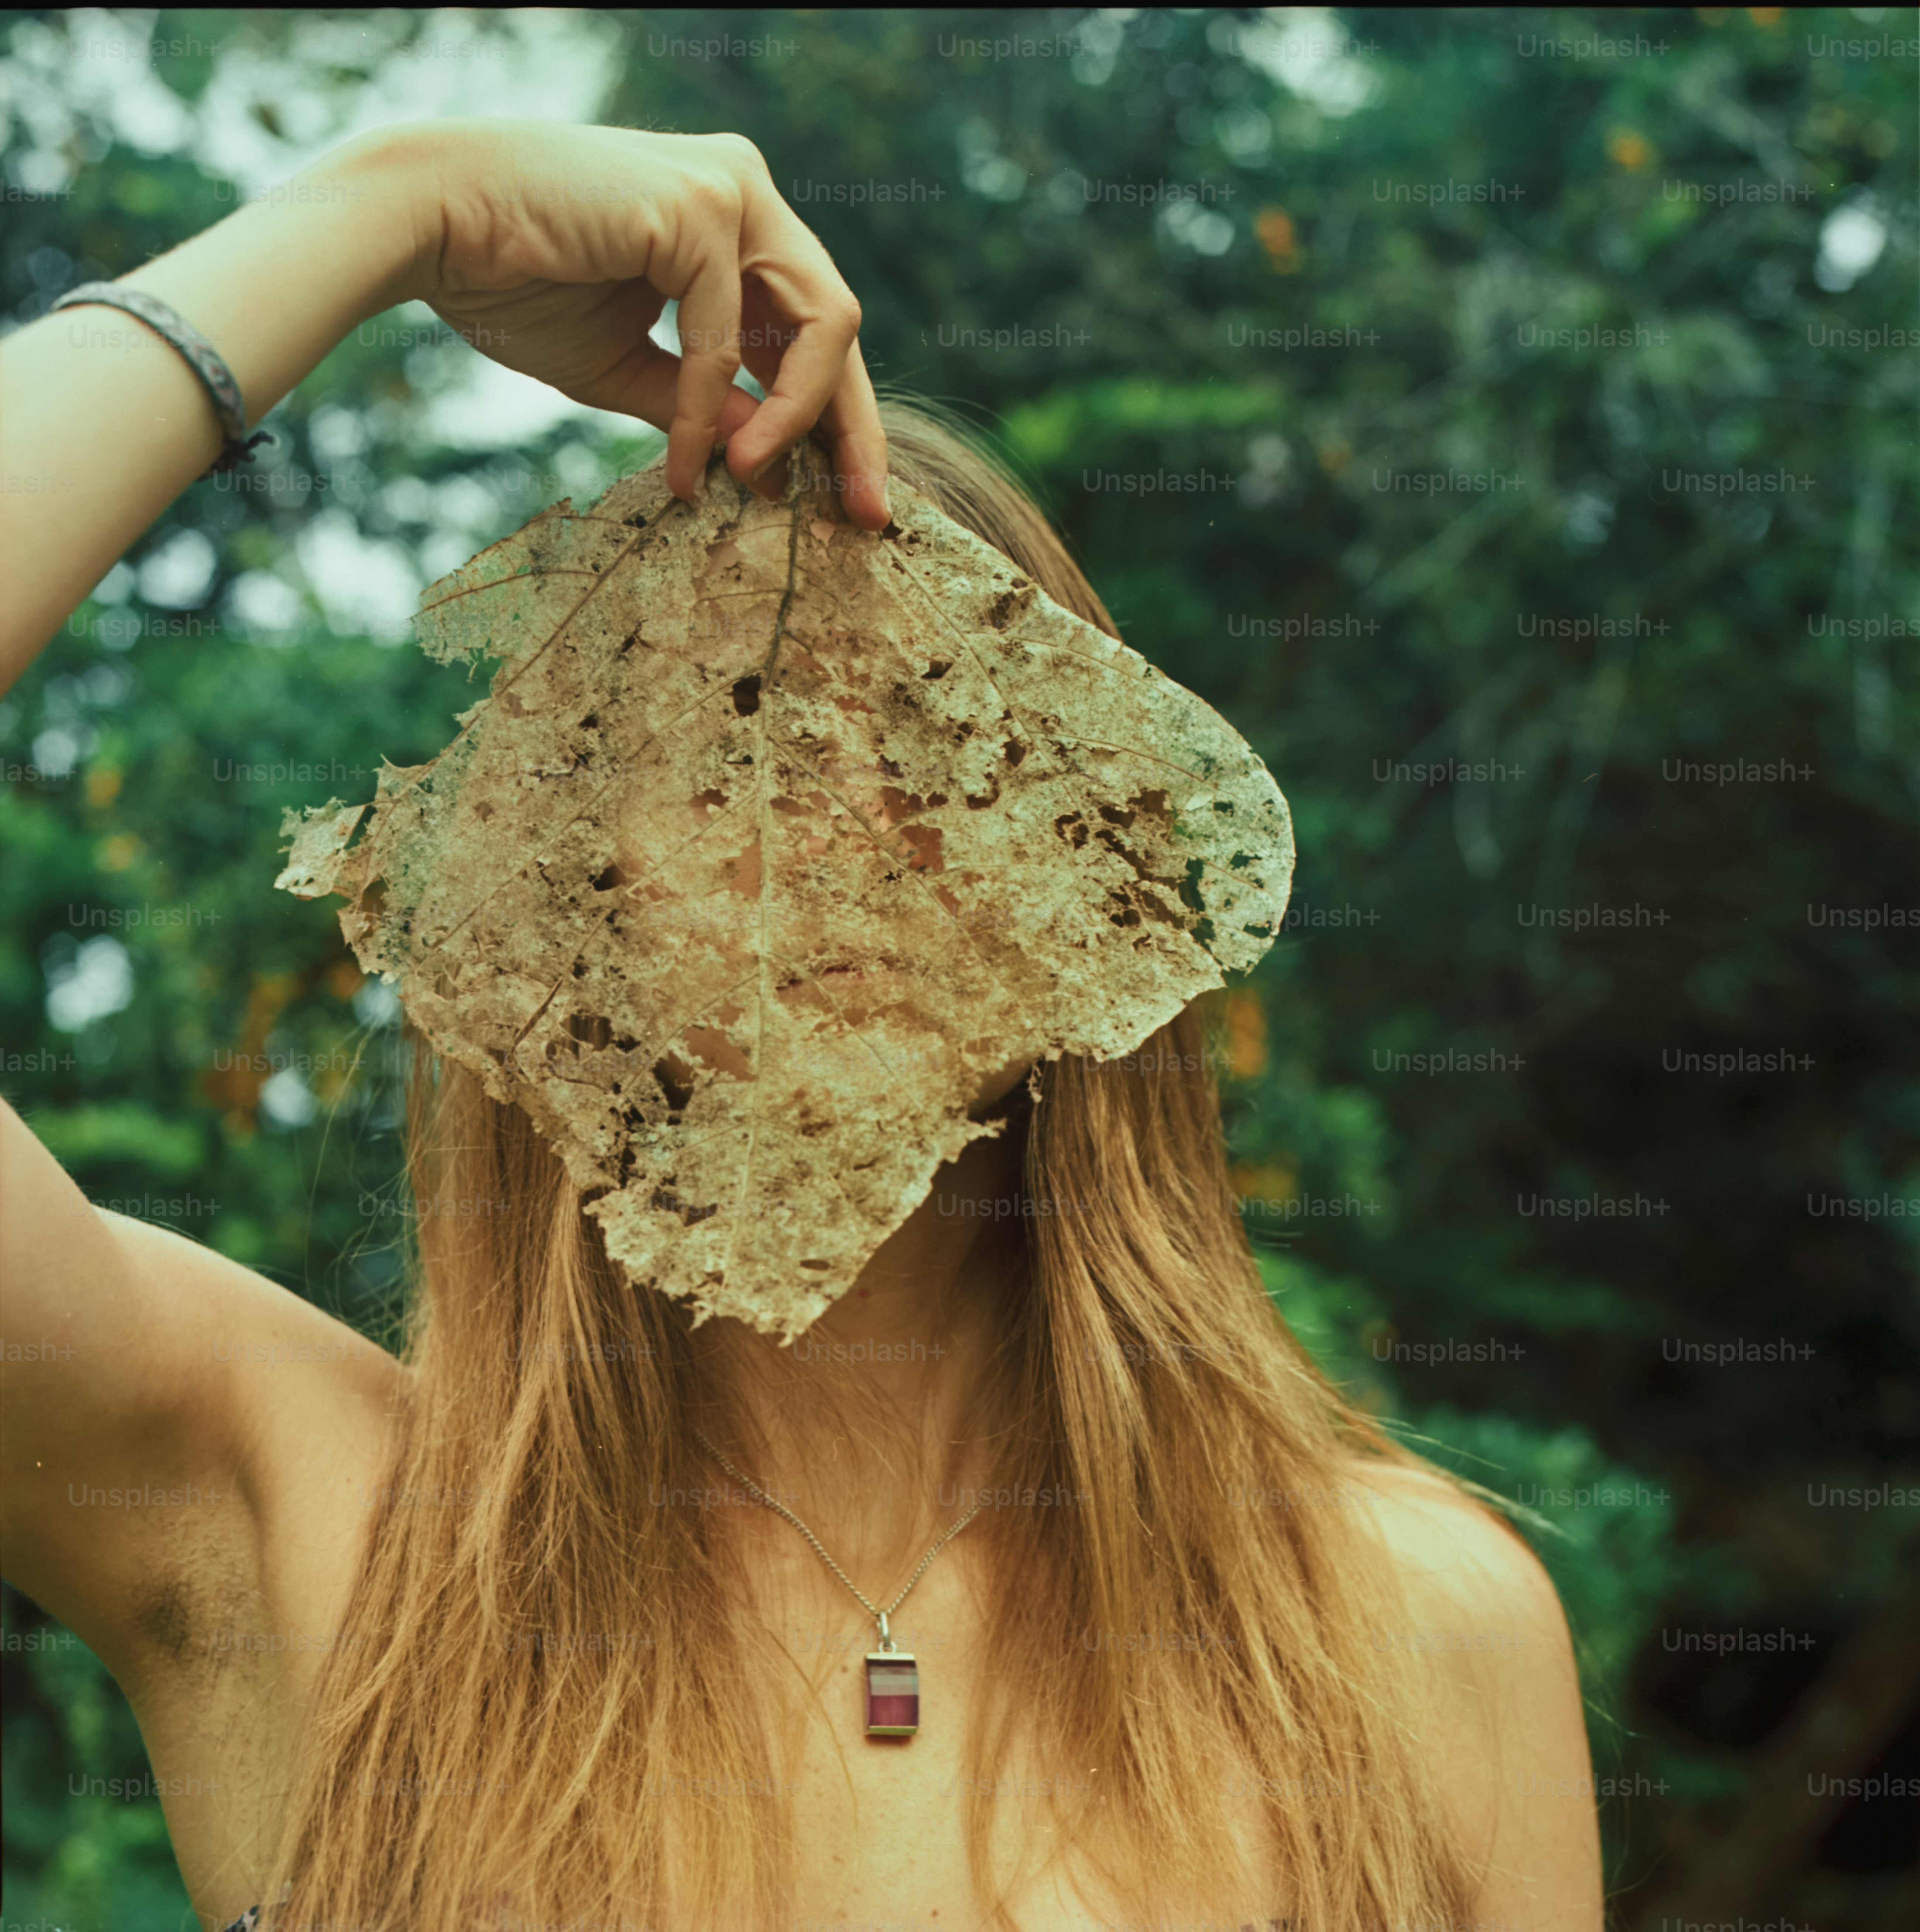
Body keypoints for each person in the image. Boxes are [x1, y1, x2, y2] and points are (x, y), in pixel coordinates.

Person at [0, 120, 1603, 1932]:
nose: (825, 830)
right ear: (564, 886)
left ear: (1088, 858)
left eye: (927, 737)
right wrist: (394, 208)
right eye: (720, 747)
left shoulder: (1409, 1628)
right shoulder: (302, 1523)